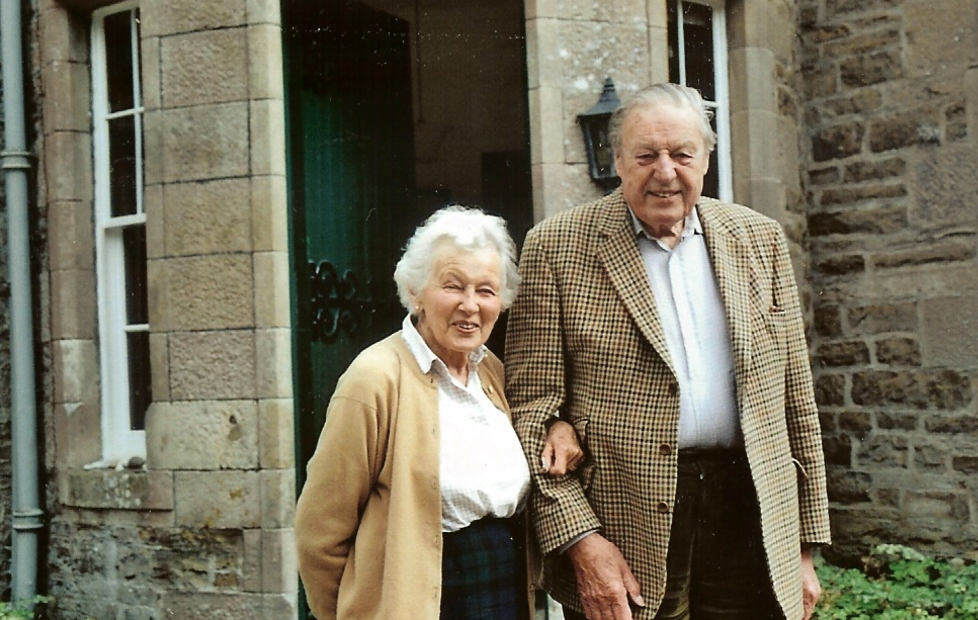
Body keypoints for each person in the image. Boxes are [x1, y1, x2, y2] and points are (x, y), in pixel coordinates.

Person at [504, 83, 831, 620]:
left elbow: (795, 400)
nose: (664, 171)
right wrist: (581, 542)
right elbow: (533, 413)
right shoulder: (556, 246)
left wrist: (804, 545)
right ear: (616, 160)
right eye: (645, 155)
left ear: (705, 158)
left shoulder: (760, 239)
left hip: (749, 514)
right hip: (626, 525)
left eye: (681, 154)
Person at [295, 205, 583, 620]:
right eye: (453, 286)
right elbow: (319, 533)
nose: (470, 305)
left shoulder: (494, 373)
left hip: (502, 590)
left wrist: (557, 426)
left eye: (486, 290)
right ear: (416, 292)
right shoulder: (375, 378)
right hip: (420, 602)